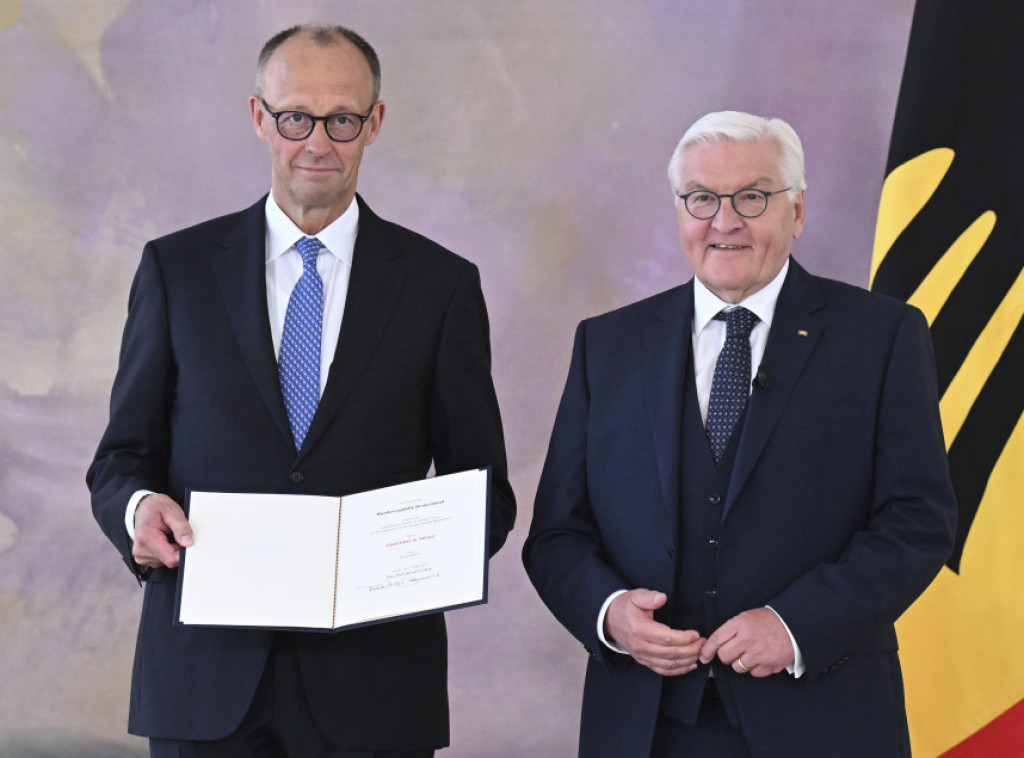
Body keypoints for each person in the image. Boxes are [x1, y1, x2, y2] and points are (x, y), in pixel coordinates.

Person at [87, 24, 515, 758]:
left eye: (342, 119)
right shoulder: (177, 270)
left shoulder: (440, 286)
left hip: (375, 690)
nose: (317, 142)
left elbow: (485, 493)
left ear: (374, 123)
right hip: (204, 681)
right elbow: (121, 459)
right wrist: (138, 511)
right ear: (260, 117)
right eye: (295, 118)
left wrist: (420, 554)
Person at [522, 110, 956, 758]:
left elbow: (918, 521)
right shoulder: (608, 346)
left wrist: (796, 625)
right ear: (679, 209)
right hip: (644, 726)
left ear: (797, 210)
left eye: (752, 197)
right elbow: (557, 534)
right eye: (701, 198)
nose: (724, 222)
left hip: (825, 718)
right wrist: (611, 614)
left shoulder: (882, 336)